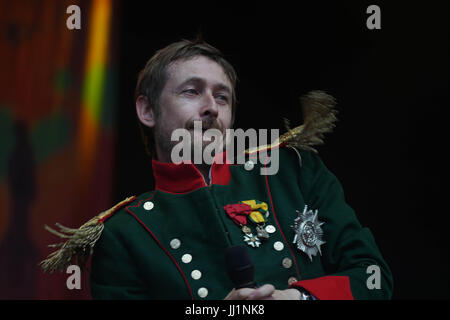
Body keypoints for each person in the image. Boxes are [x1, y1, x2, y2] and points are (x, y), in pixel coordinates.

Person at [40, 39, 393, 300]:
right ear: (147, 111)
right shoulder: (123, 234)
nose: (211, 107)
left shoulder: (295, 172)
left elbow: (373, 277)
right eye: (192, 92)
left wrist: (301, 298)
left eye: (222, 97)